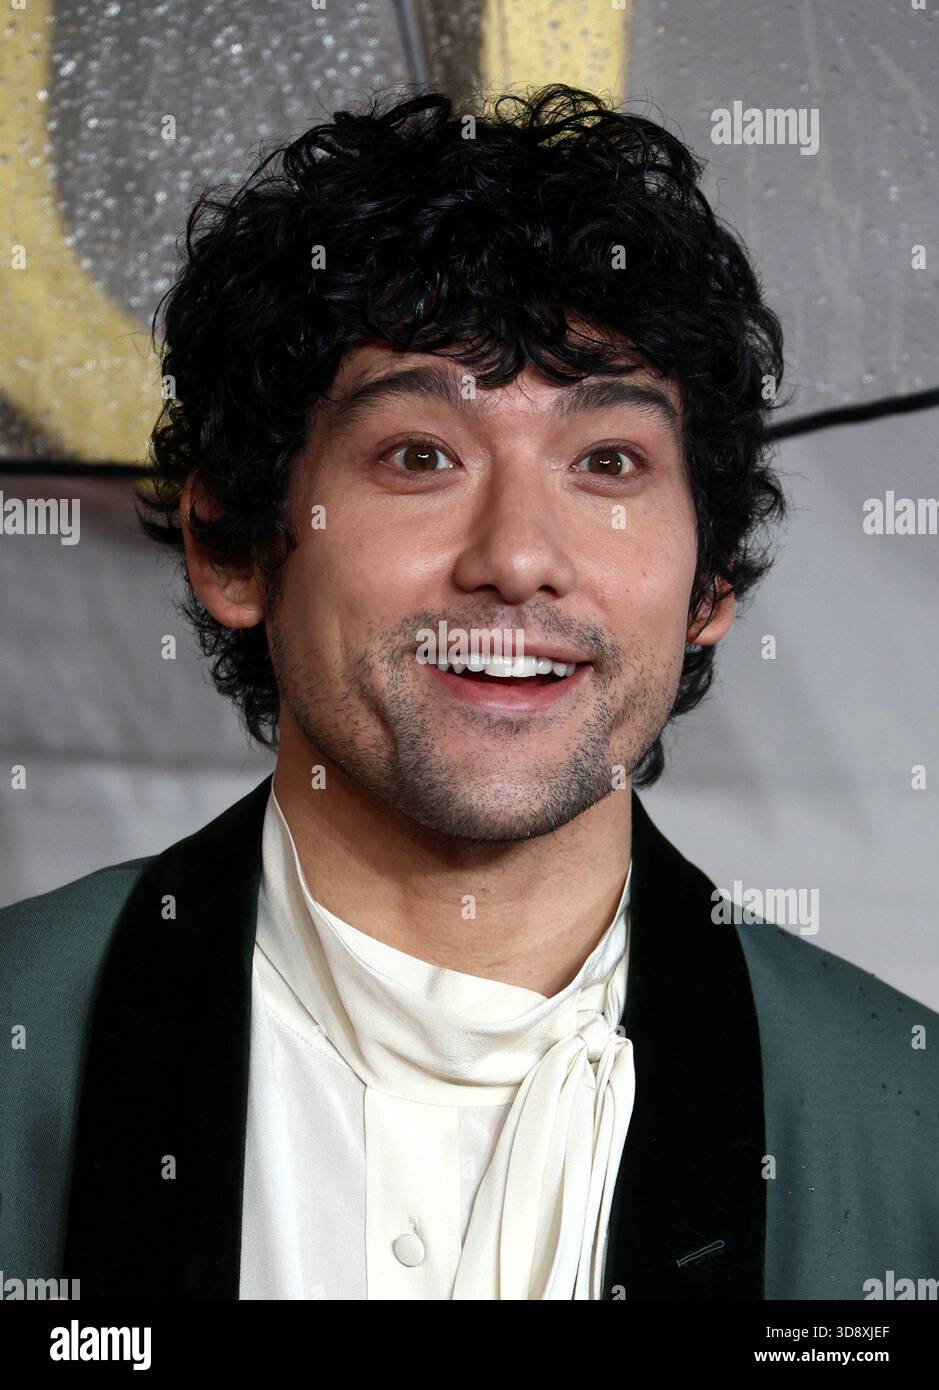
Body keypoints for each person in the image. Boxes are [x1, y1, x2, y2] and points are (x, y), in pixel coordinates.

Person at [1, 84, 936, 1302]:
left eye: (608, 461)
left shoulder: (906, 1129)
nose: (516, 554)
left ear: (709, 583)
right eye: (420, 456)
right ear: (234, 546)